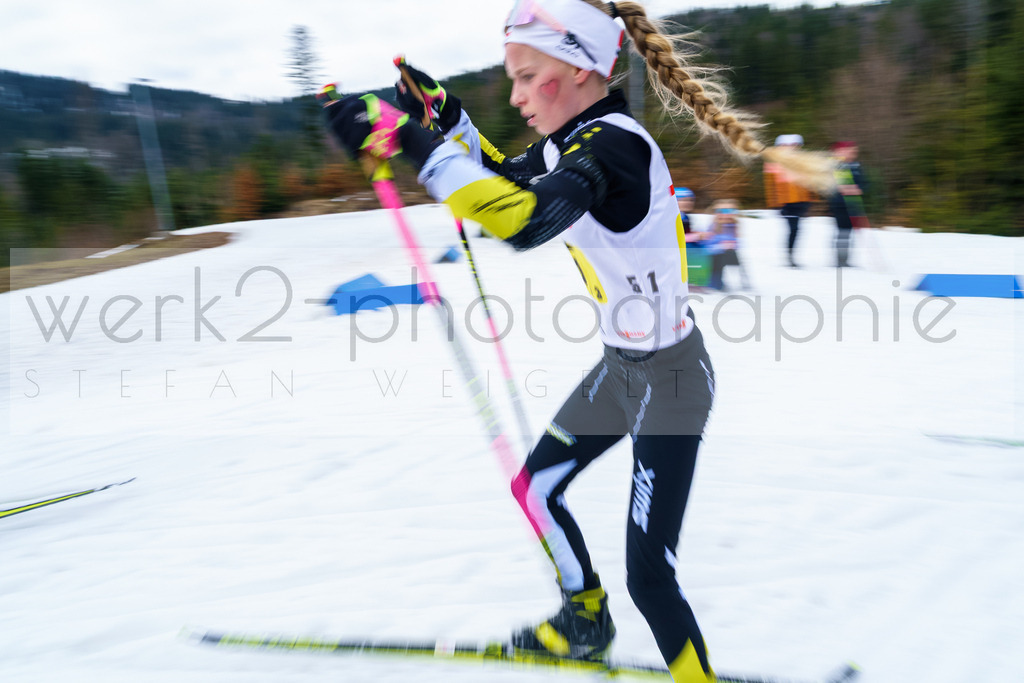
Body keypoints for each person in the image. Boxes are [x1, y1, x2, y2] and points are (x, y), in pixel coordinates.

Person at [320, 1, 832, 680]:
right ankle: (582, 617)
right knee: (535, 489)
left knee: (650, 578)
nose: (517, 94)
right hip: (622, 372)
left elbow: (526, 221)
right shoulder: (573, 141)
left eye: (530, 76)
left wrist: (409, 141)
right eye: (512, 77)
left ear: (585, 68)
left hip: (672, 384)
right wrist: (447, 121)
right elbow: (506, 179)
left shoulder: (616, 146)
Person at [763, 134, 814, 267]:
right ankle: (789, 256)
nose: (792, 148)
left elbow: (810, 181)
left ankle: (790, 255)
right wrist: (775, 204)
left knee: (796, 229)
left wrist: (810, 198)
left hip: (801, 201)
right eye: (787, 146)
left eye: (795, 146)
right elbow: (770, 185)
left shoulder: (803, 161)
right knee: (794, 228)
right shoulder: (774, 162)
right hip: (786, 202)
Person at [828, 141, 866, 268]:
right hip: (839, 204)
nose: (853, 153)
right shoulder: (836, 165)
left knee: (849, 232)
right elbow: (832, 184)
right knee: (842, 232)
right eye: (849, 150)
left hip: (853, 204)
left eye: (854, 151)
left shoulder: (855, 165)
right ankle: (840, 260)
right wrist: (843, 188)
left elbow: (863, 183)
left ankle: (845, 259)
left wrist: (859, 188)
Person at [705, 199, 750, 291]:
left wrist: (732, 244)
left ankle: (744, 282)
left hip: (728, 254)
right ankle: (715, 282)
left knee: (732, 254)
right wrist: (721, 245)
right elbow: (707, 247)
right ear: (716, 213)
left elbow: (738, 243)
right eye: (721, 211)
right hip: (713, 258)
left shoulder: (733, 226)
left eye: (731, 211)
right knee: (720, 256)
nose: (726, 214)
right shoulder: (713, 227)